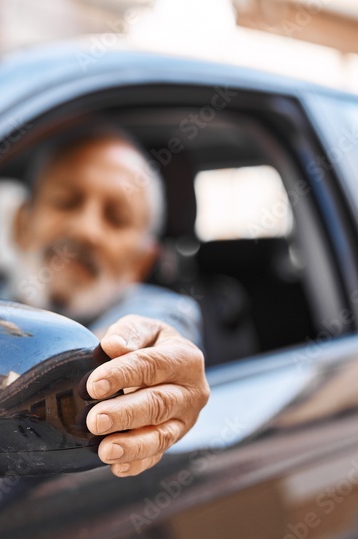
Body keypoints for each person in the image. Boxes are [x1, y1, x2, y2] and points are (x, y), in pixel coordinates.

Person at [12, 128, 210, 478]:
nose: (87, 230)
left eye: (116, 218)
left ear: (141, 263)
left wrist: (145, 367)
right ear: (21, 223)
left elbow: (156, 338)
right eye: (67, 201)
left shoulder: (163, 312)